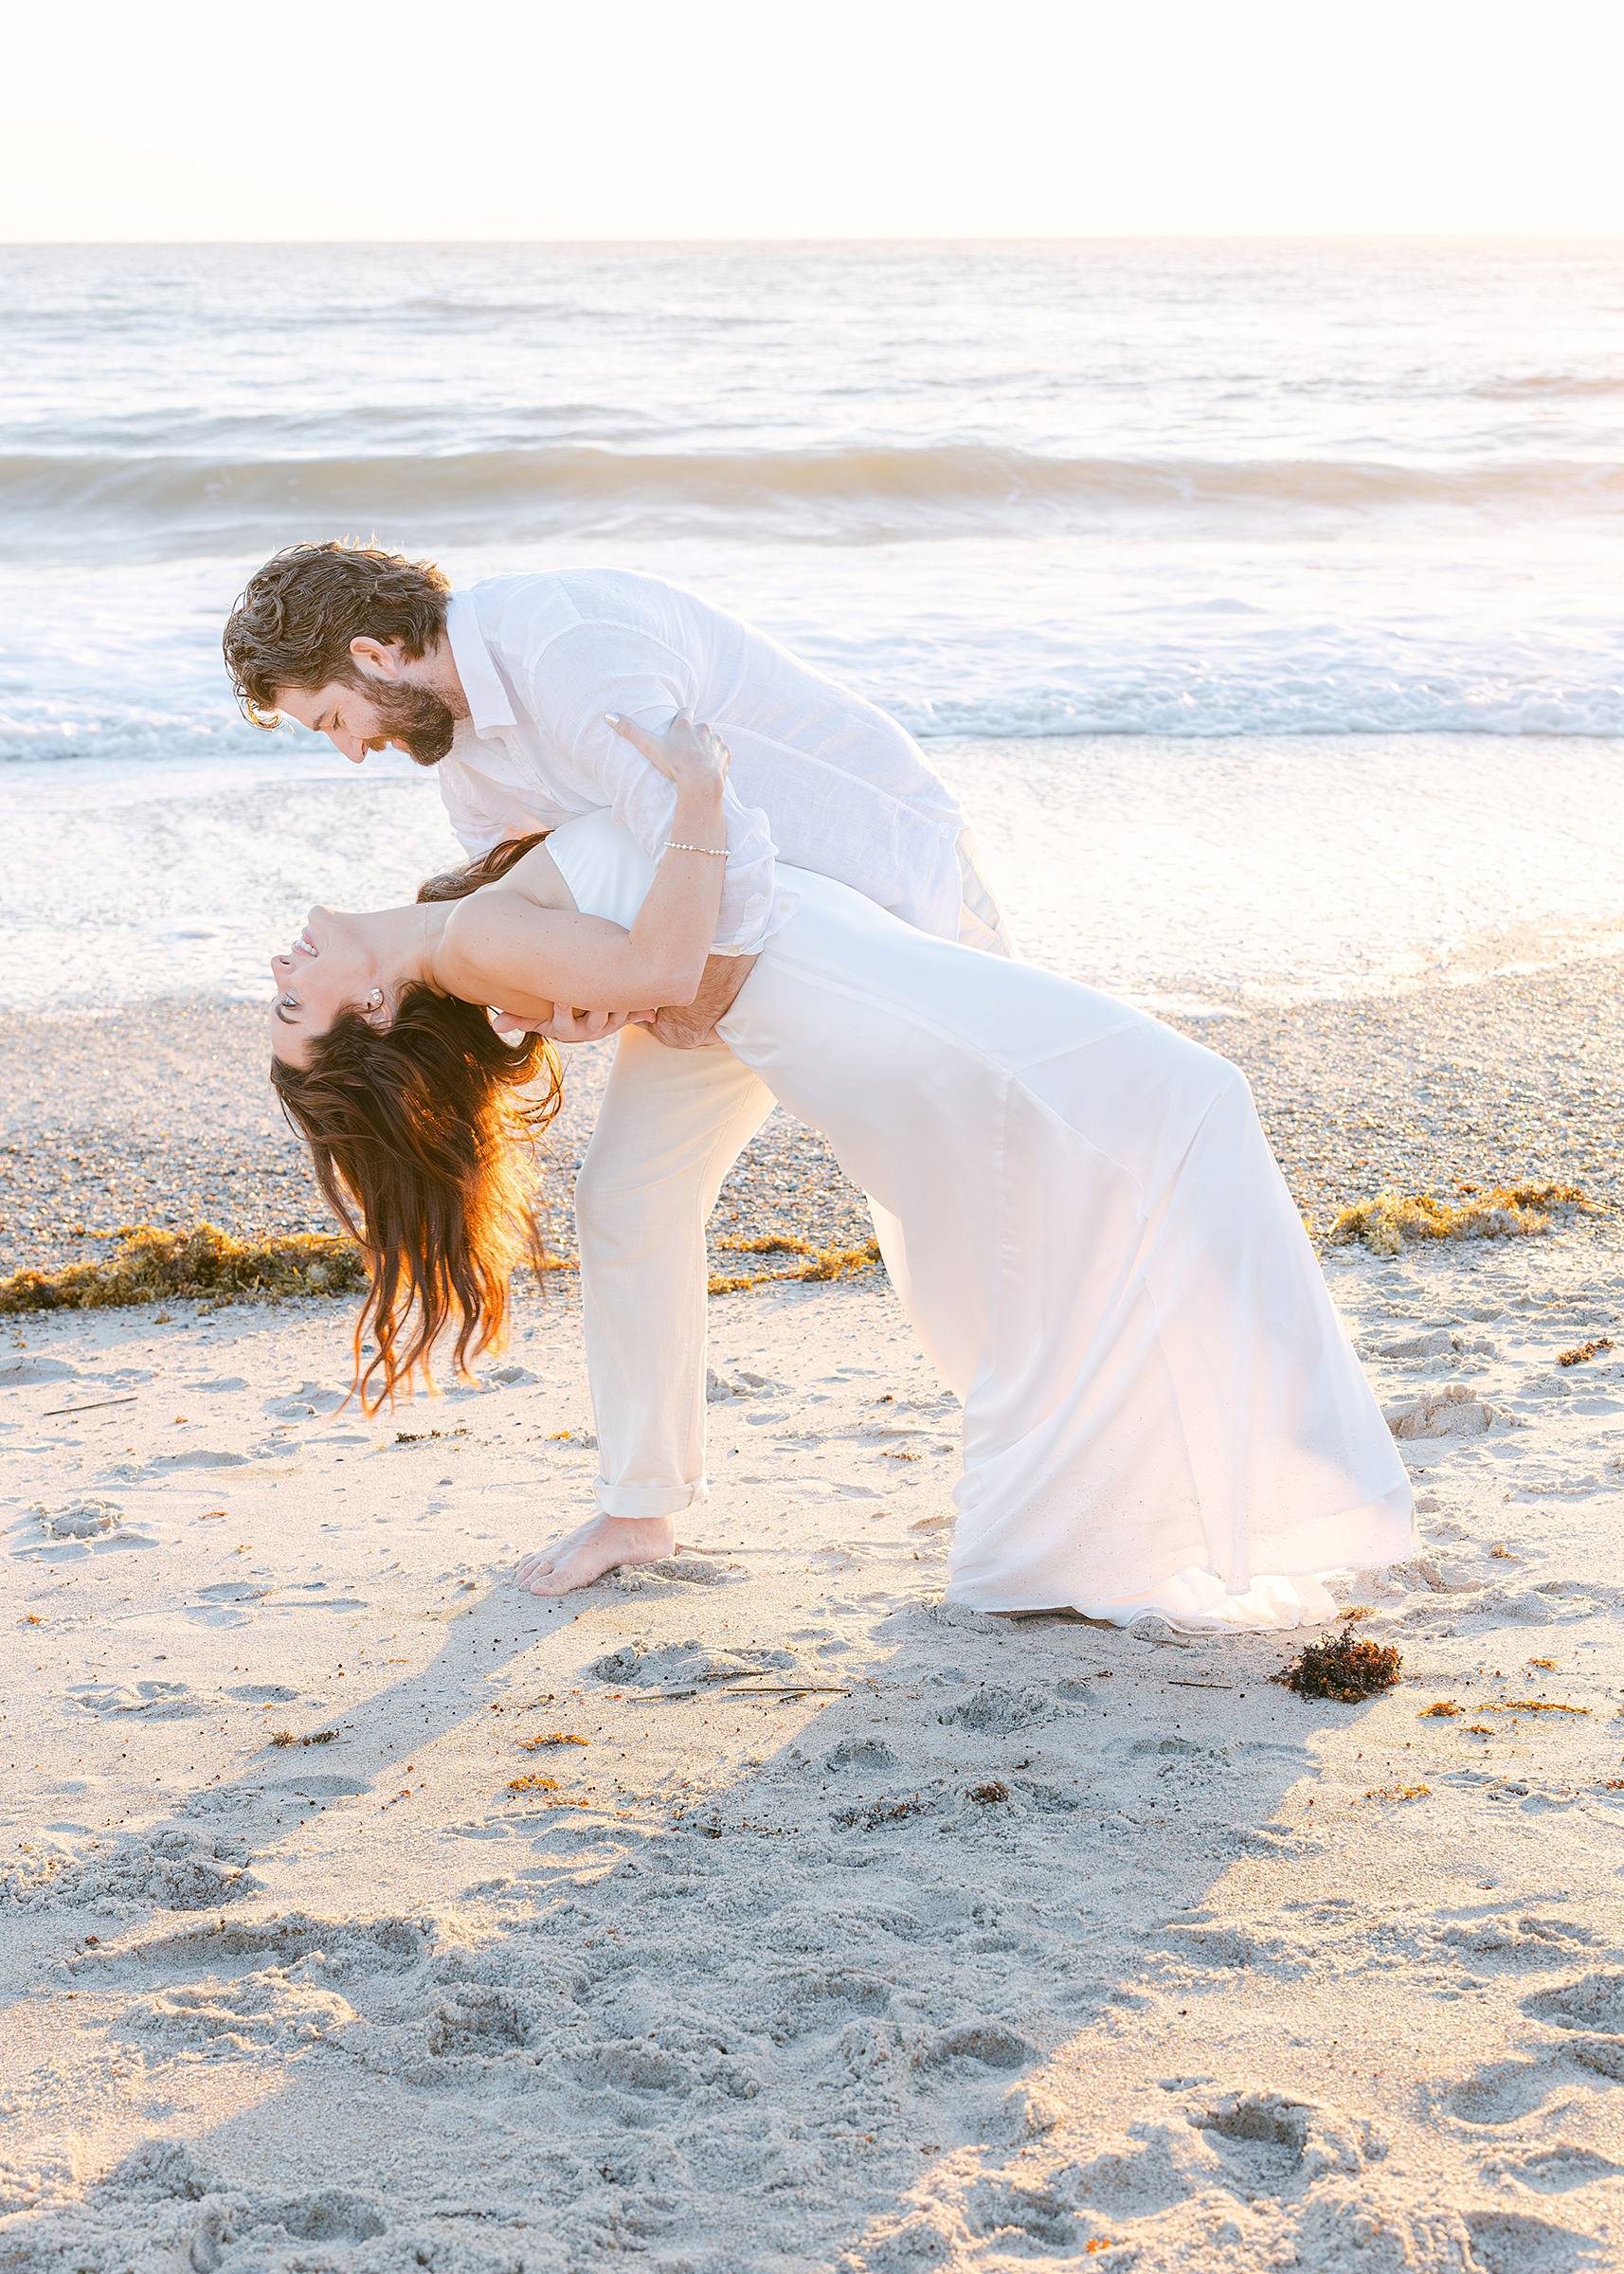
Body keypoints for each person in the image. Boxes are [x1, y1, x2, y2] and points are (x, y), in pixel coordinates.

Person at [266, 710, 1415, 1630]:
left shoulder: (462, 929)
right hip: (829, 984)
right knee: (1178, 1097)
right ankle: (1261, 1477)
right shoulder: (468, 946)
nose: (280, 967)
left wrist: (591, 997)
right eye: (289, 1003)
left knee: (660, 1206)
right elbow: (665, 963)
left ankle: (647, 1506)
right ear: (369, 1011)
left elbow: (638, 974)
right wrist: (701, 791)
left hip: (798, 972)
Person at [225, 541, 1014, 1551]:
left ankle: (1021, 1446)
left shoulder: (565, 645)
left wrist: (668, 997)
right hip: (717, 958)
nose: (348, 750)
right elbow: (548, 903)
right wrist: (571, 1006)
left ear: (378, 654)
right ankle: (641, 1507)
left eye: (333, 718)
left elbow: (726, 831)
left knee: (947, 1194)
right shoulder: (465, 756)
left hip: (882, 904)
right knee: (626, 1198)